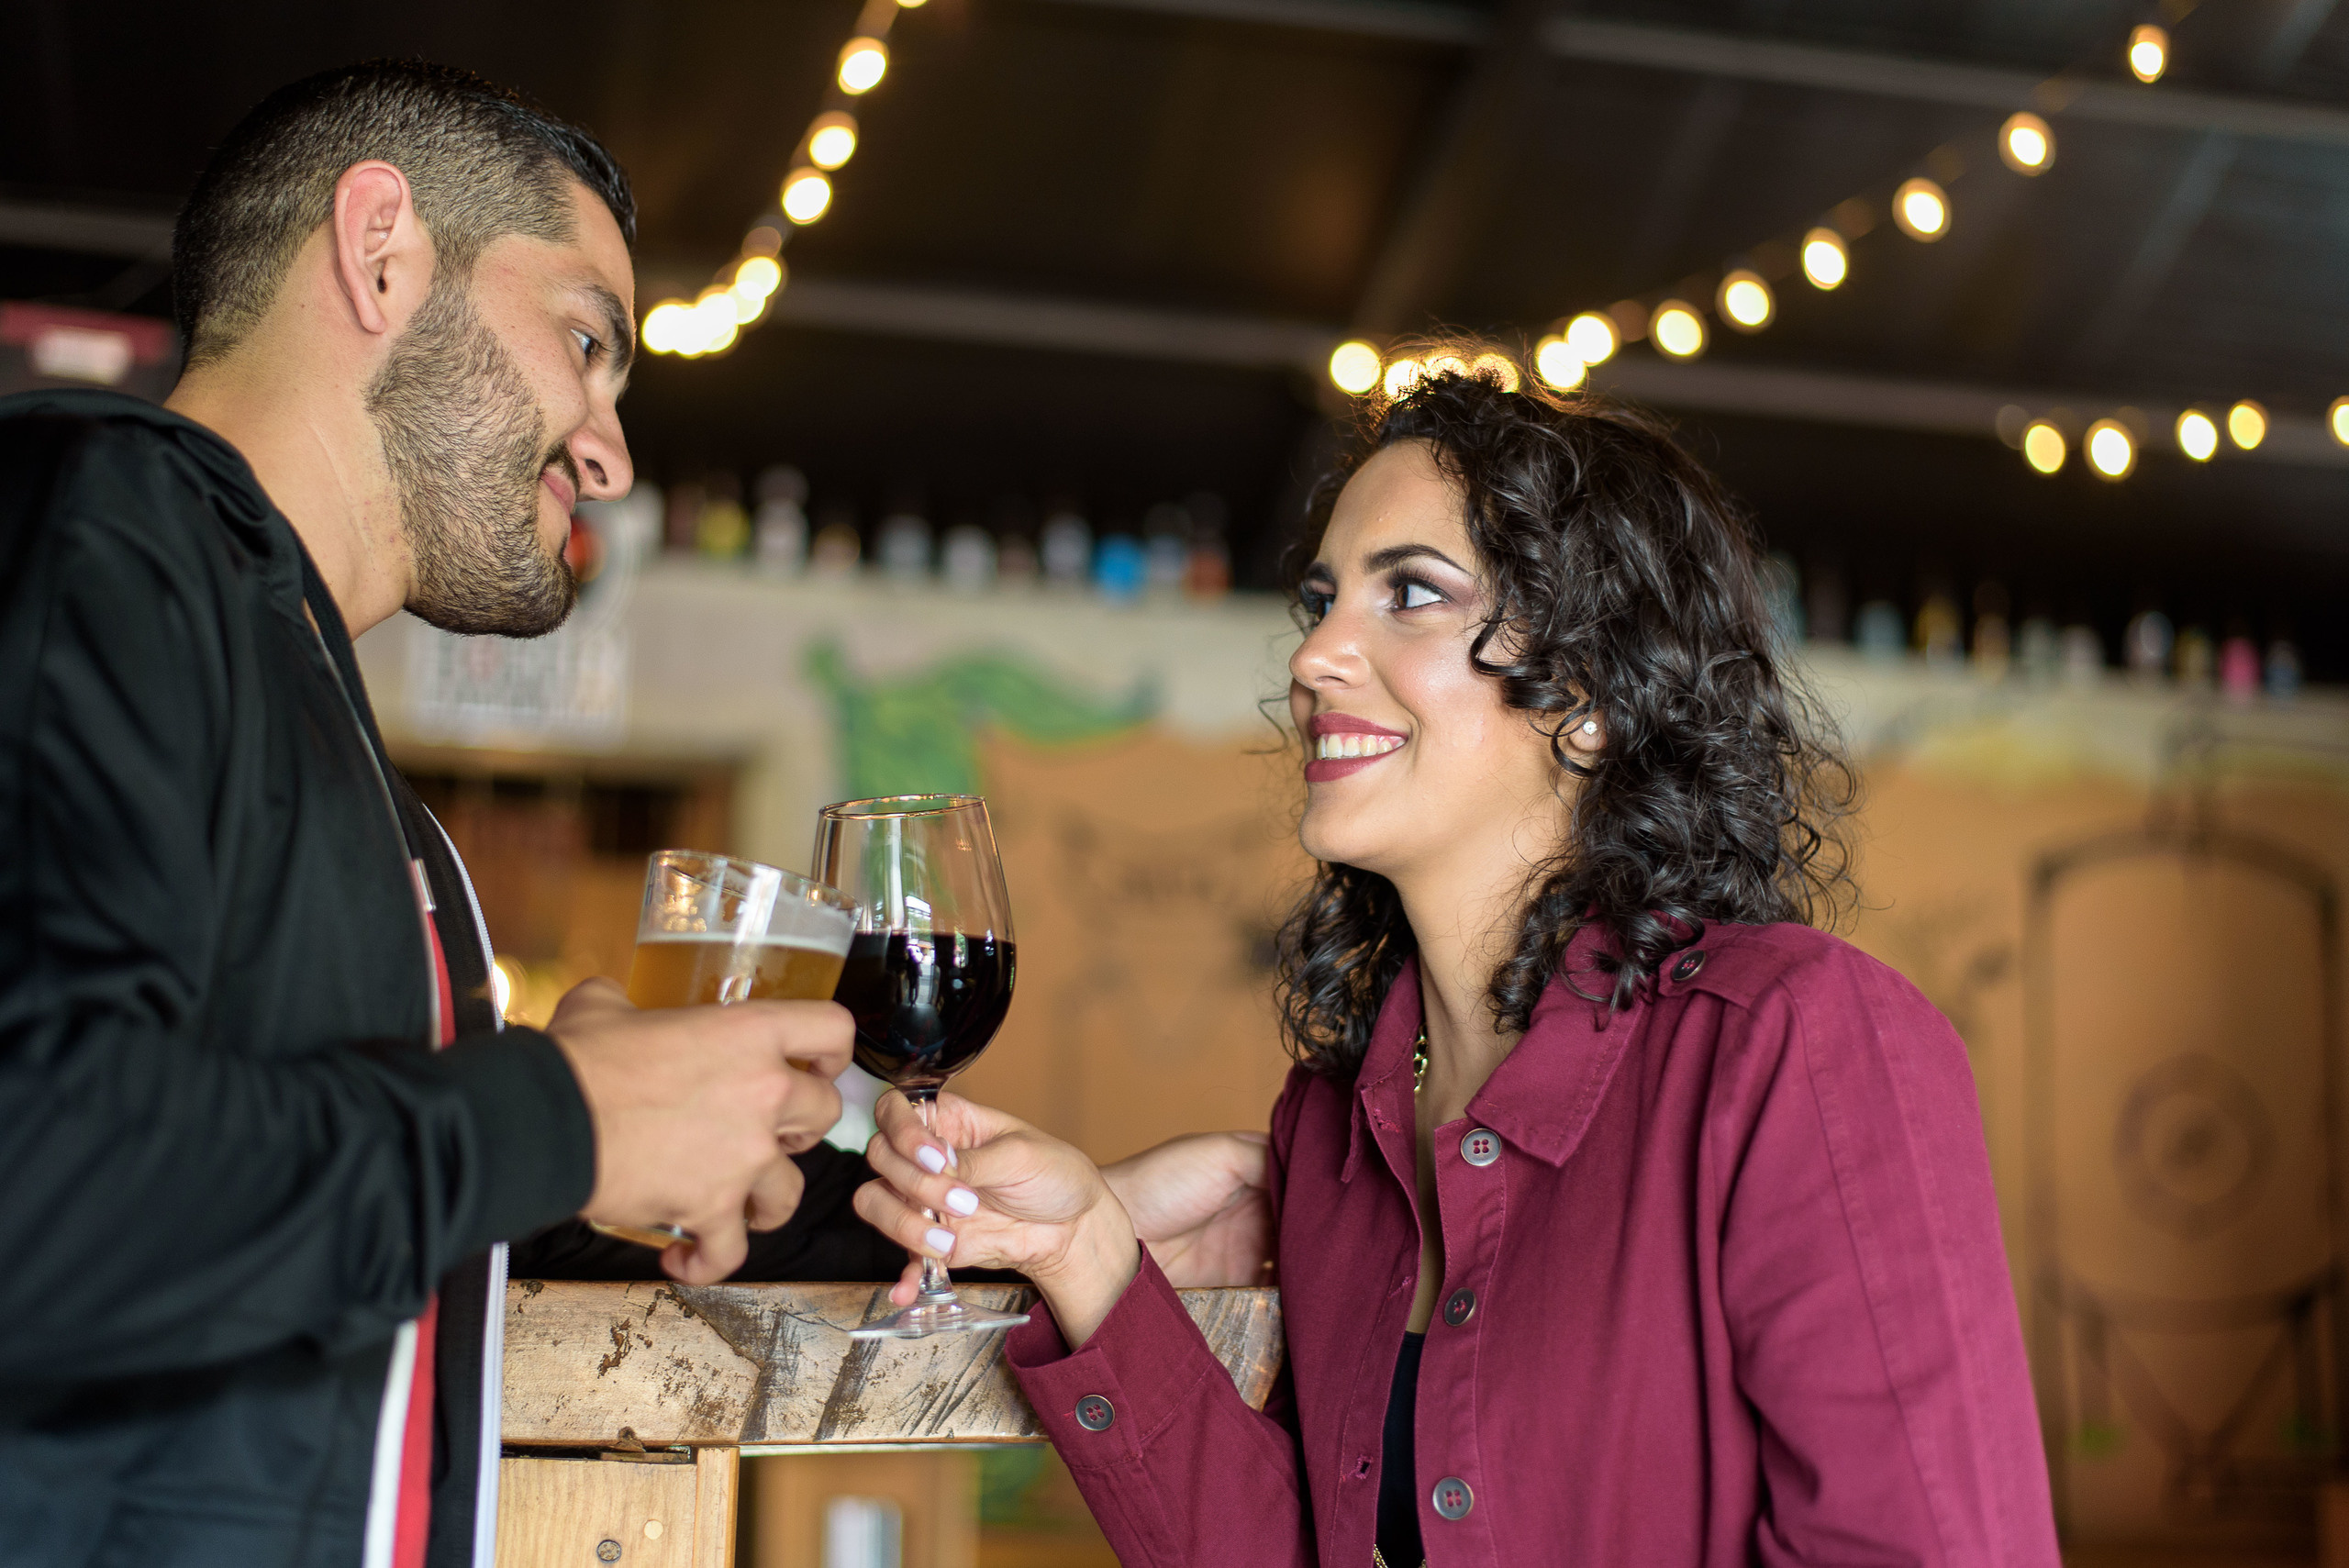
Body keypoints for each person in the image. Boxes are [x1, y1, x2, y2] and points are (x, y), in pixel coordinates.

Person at [855, 364, 2064, 1566]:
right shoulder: (1329, 1132)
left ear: (1590, 696)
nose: (1317, 655)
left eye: (1412, 595)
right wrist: (1088, 1253)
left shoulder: (1801, 1045)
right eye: (1321, 601)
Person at [0, 61, 861, 1568]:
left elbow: (356, 1197)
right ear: (381, 246)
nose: (611, 451)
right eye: (587, 341)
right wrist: (568, 1112)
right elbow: (42, 1168)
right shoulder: (95, 523)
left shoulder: (331, 734)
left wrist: (1019, 1222)